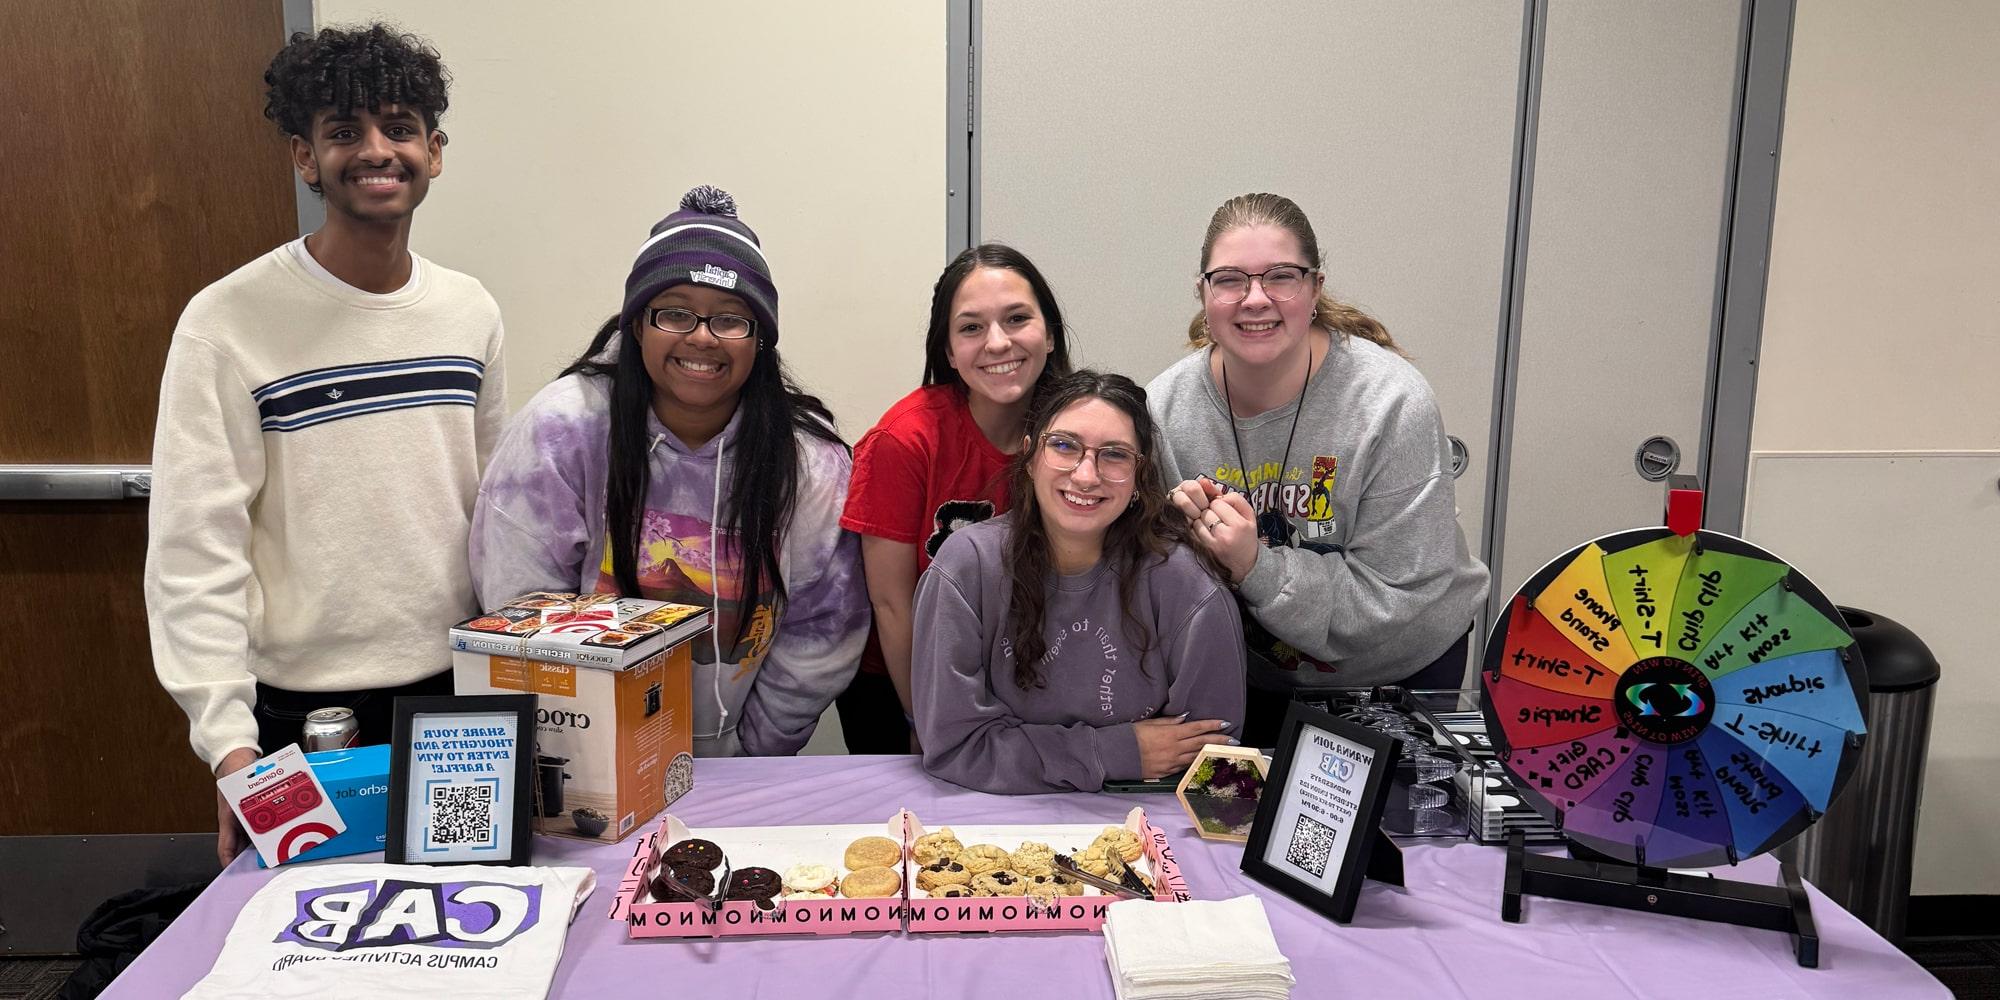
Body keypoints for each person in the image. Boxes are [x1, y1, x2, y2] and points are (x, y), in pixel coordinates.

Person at [145, 24, 506, 867]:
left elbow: (495, 512)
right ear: (306, 158)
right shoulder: (225, 322)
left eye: (399, 126)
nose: (377, 151)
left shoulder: (471, 311)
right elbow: (194, 551)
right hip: (302, 718)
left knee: (460, 925)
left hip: (458, 701)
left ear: (435, 151)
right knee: (309, 943)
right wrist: (230, 744)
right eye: (344, 132)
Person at [471, 186, 869, 758]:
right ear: (637, 324)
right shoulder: (563, 429)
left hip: (741, 761)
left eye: (732, 318)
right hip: (586, 756)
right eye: (675, 312)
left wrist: (752, 753)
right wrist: (591, 753)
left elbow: (823, 630)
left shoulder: (808, 461)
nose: (702, 336)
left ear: (762, 341)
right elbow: (521, 610)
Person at [1149, 192, 1489, 745]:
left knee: (1395, 832)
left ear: (1314, 291)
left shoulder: (1390, 404)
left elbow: (1394, 593)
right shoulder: (1165, 410)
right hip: (1257, 677)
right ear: (1204, 294)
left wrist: (1252, 563)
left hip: (1399, 668)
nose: (1255, 299)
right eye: (1230, 279)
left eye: (1281, 276)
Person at [913, 371, 1244, 794]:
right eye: (1065, 445)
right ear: (1030, 458)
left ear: (1141, 478)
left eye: (1115, 455)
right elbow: (955, 747)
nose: (1087, 476)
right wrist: (1113, 751)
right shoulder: (967, 567)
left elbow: (1211, 767)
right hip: (991, 817)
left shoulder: (1188, 588)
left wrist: (1027, 753)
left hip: (1145, 825)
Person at [835, 244, 1074, 755]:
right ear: (947, 350)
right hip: (905, 677)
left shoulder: (1079, 433)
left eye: (1017, 319)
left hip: (1025, 669)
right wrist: (925, 716)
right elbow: (891, 602)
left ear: (1049, 333)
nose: (997, 342)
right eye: (970, 327)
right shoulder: (905, 440)